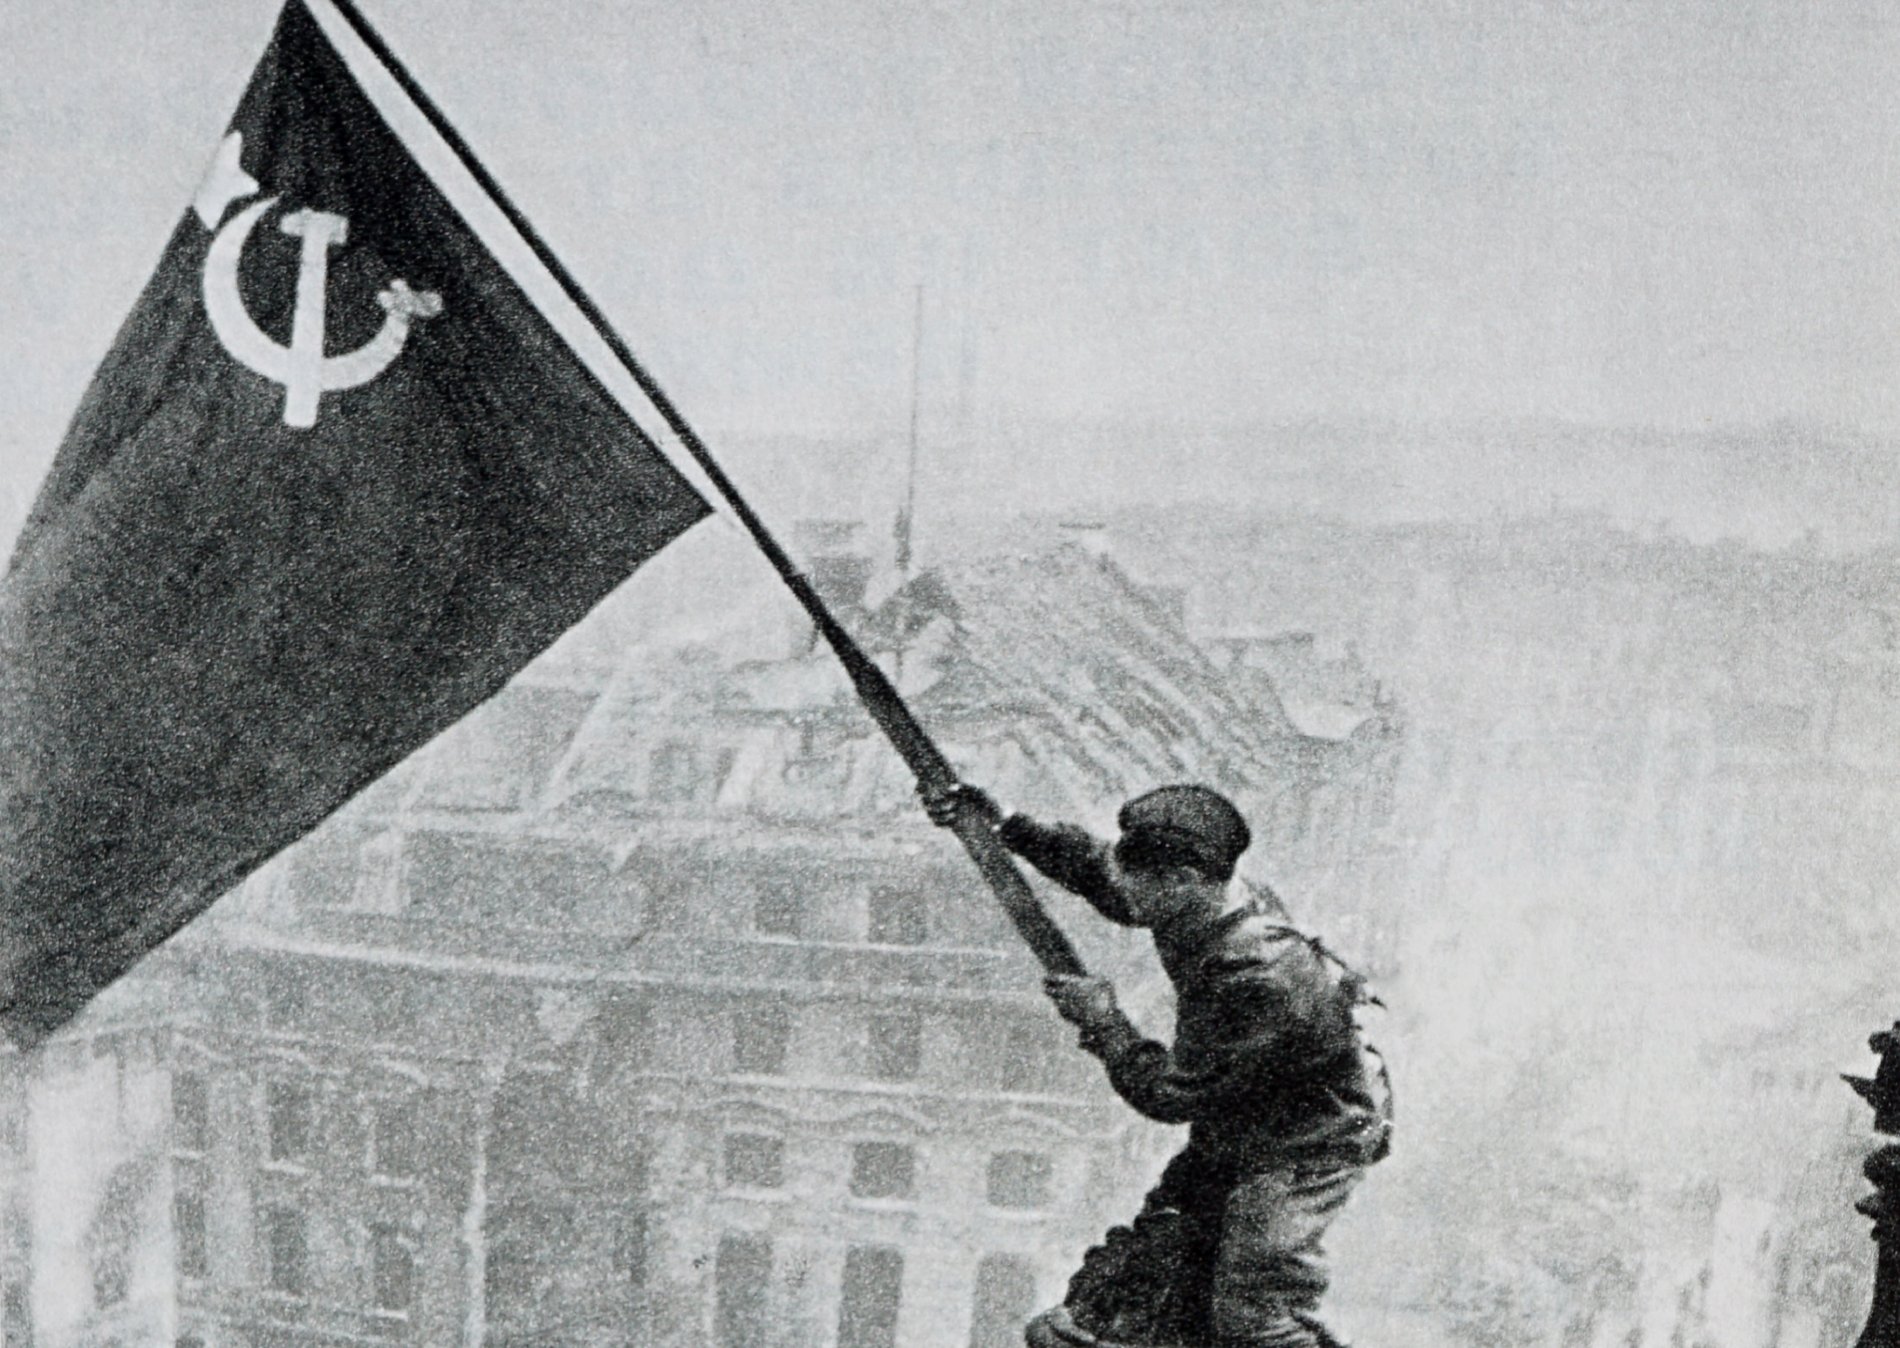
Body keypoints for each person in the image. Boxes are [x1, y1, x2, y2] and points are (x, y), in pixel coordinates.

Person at [923, 781, 1391, 1348]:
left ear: (1183, 880)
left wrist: (1104, 1022)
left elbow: (1169, 1095)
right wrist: (1006, 825)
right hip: (1241, 1119)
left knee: (1253, 1317)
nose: (1127, 899)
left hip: (1307, 1144)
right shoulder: (1202, 895)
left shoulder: (1257, 974)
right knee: (1152, 1262)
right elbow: (1103, 874)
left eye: (1140, 886)